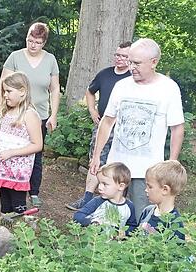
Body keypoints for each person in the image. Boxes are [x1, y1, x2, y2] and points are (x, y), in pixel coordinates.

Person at [89, 38, 185, 217]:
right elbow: (107, 121)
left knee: (141, 216)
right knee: (110, 215)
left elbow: (177, 128)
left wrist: (171, 164)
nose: (131, 67)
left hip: (147, 171)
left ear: (154, 62)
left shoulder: (168, 88)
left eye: (137, 63)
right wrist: (96, 156)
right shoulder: (122, 86)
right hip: (116, 168)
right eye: (130, 62)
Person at [0, 22, 60, 208]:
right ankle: (9, 187)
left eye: (38, 42)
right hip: (15, 113)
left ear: (44, 42)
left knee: (35, 153)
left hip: (39, 114)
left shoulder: (50, 60)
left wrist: (53, 115)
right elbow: (3, 85)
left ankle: (33, 191)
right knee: (12, 150)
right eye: (30, 40)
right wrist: (3, 110)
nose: (33, 45)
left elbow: (55, 88)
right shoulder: (15, 57)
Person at [67, 41, 132, 210]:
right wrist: (92, 110)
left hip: (125, 129)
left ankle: (118, 203)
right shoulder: (104, 74)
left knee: (120, 164)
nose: (120, 59)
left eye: (124, 56)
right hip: (103, 124)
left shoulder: (133, 78)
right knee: (96, 160)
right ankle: (87, 198)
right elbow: (90, 91)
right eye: (118, 55)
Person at [0, 72, 43, 214]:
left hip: (17, 172)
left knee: (17, 206)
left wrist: (11, 153)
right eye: (4, 91)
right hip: (2, 169)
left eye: (9, 91)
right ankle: (6, 230)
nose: (5, 95)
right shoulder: (7, 112)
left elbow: (37, 145)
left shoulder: (29, 115)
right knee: (5, 206)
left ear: (22, 91)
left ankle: (19, 230)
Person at [73, 162, 137, 234]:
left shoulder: (129, 206)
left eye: (105, 184)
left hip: (116, 244)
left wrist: (124, 233)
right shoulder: (97, 201)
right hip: (94, 242)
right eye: (99, 183)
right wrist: (92, 222)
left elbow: (132, 226)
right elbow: (78, 216)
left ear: (121, 186)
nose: (99, 187)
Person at [138, 160, 188, 242]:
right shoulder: (147, 211)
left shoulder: (175, 223)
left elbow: (175, 253)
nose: (146, 190)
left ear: (165, 189)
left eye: (150, 187)